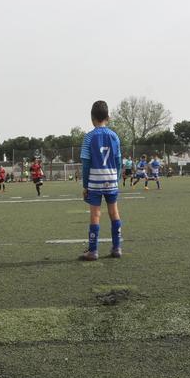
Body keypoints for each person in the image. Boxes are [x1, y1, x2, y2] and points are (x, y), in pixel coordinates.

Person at [79, 100, 123, 261]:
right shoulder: (114, 136)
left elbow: (86, 163)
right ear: (108, 117)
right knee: (114, 212)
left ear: (92, 118)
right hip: (111, 179)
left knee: (95, 214)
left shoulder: (89, 137)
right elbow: (118, 160)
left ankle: (93, 251)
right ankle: (117, 248)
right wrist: (116, 178)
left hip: (95, 180)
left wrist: (85, 185)